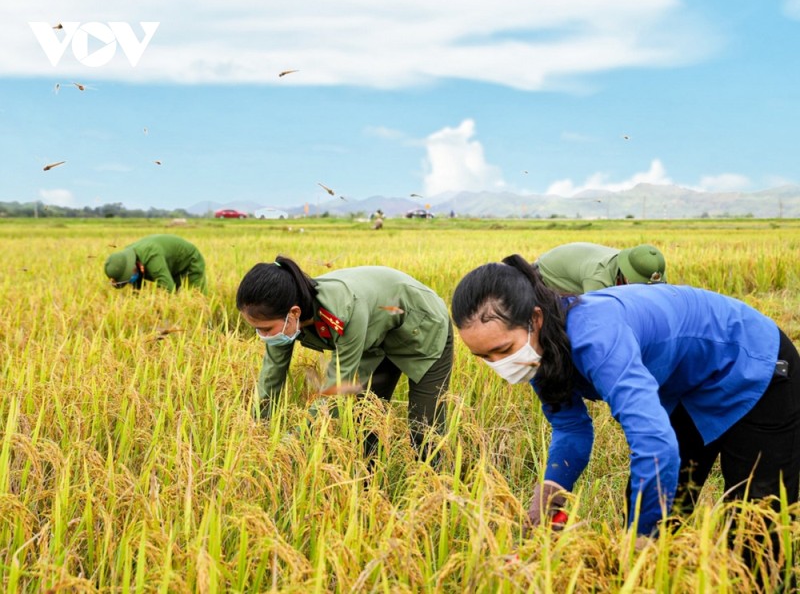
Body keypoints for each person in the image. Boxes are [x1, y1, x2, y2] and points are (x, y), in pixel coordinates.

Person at [451, 254, 799, 543]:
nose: (499, 365)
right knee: (661, 501)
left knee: (758, 521)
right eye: (484, 357)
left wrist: (639, 542)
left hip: (751, 362)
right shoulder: (540, 351)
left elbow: (655, 445)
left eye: (502, 350)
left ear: (535, 320)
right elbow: (571, 429)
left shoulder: (598, 339)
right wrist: (553, 488)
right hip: (684, 385)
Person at [236, 256, 453, 456]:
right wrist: (258, 430)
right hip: (377, 336)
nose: (262, 336)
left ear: (294, 313)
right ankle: (370, 487)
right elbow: (271, 376)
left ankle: (434, 488)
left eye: (265, 329)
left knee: (424, 429)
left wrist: (295, 440)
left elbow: (336, 392)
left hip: (422, 325)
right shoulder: (279, 319)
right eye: (257, 329)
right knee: (365, 419)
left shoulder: (344, 310)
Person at [535, 242, 666, 294]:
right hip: (545, 274)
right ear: (628, 276)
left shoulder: (642, 265)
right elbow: (593, 314)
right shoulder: (599, 278)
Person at [104, 234, 208, 294]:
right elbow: (137, 289)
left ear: (132, 266)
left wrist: (157, 307)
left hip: (189, 261)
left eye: (129, 275)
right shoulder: (130, 260)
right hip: (170, 264)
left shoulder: (151, 257)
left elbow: (168, 288)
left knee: (196, 295)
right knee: (177, 292)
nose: (130, 279)